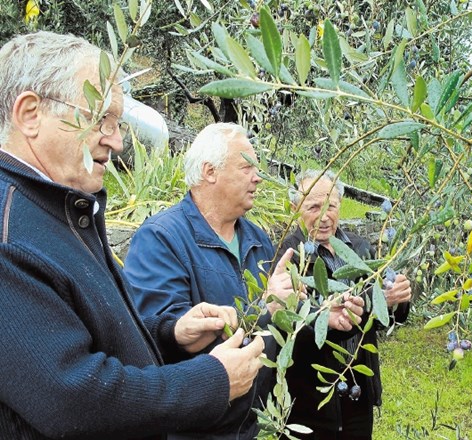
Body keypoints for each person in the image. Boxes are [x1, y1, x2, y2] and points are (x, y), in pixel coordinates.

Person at [0, 31, 266, 440]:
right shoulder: (9, 234)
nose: (118, 140)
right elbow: (73, 400)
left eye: (118, 122)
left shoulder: (59, 211)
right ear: (31, 114)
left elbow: (102, 335)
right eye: (102, 118)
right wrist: (212, 381)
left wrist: (171, 333)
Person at [123, 124, 366, 439]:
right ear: (210, 172)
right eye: (246, 168)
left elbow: (278, 326)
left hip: (249, 426)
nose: (257, 177)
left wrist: (317, 318)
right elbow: (157, 338)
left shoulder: (257, 240)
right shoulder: (161, 238)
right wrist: (265, 305)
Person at [276, 169, 412, 440]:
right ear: (295, 208)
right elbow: (294, 329)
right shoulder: (288, 258)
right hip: (309, 400)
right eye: (314, 206)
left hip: (358, 388)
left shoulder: (360, 249)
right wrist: (375, 303)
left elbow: (385, 318)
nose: (325, 216)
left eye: (331, 206)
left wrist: (398, 299)